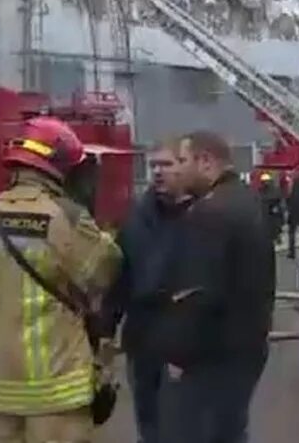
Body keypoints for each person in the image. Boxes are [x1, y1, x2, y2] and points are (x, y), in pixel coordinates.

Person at [0, 117, 122, 443]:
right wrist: (105, 236)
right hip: (56, 389)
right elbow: (104, 272)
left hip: (0, 387)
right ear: (61, 169)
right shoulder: (65, 217)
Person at [153, 131, 275, 443]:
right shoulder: (245, 199)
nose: (178, 170)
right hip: (245, 347)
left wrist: (176, 355)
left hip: (213, 356)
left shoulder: (210, 212)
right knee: (230, 431)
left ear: (205, 161)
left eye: (183, 160)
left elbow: (195, 294)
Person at [104, 139, 191, 443]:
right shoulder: (136, 218)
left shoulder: (205, 217)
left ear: (187, 165)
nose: (158, 172)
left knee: (181, 424)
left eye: (167, 164)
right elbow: (120, 276)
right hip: (142, 340)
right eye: (153, 165)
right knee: (148, 422)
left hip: (186, 342)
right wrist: (105, 329)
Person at [256, 173, 284, 251]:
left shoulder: (275, 190)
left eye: (267, 181)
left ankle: (277, 237)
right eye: (264, 181)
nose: (266, 183)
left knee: (275, 227)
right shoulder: (260, 191)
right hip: (265, 213)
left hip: (273, 213)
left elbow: (279, 200)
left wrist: (277, 208)